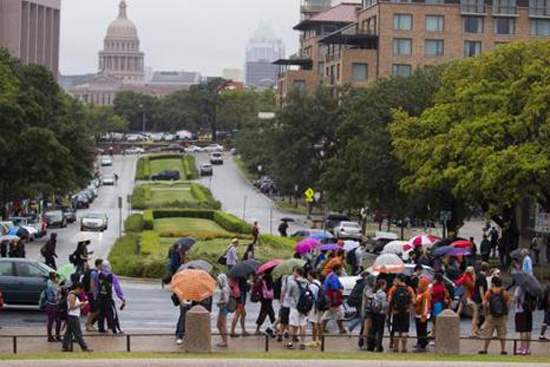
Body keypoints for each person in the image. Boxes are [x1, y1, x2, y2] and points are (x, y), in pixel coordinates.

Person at [478, 276, 510, 355]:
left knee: (488, 332)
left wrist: (485, 313)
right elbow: (508, 304)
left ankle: (485, 349)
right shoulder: (504, 292)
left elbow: (484, 303)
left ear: (493, 283)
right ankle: (503, 349)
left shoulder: (489, 292)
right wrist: (506, 314)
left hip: (491, 315)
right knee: (502, 333)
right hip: (501, 316)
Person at [388, 274, 415, 353]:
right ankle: (404, 348)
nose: (395, 281)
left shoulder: (393, 288)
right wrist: (409, 307)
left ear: (399, 279)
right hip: (406, 312)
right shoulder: (409, 289)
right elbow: (413, 301)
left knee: (396, 330)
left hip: (396, 312)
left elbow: (389, 300)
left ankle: (395, 347)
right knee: (404, 331)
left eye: (396, 279)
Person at [62, 283, 93, 352]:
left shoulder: (73, 295)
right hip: (73, 316)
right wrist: (81, 303)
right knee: (78, 333)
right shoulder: (72, 295)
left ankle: (65, 347)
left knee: (68, 332)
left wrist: (83, 304)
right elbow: (72, 306)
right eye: (81, 290)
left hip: (72, 315)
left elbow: (75, 307)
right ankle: (84, 347)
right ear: (78, 288)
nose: (81, 292)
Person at [97, 261, 126, 334]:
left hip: (100, 297)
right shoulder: (112, 276)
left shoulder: (99, 274)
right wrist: (122, 297)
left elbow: (97, 286)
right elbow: (117, 288)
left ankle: (101, 328)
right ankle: (115, 329)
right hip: (108, 298)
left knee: (101, 313)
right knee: (112, 313)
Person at [284, 267, 309, 350]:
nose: (293, 273)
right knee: (303, 324)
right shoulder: (306, 282)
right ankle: (302, 343)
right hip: (304, 307)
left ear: (297, 272)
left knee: (292, 325)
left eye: (294, 272)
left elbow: (288, 295)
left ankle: (290, 343)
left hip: (295, 306)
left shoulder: (292, 282)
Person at [322, 264, 346, 334]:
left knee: (329, 313)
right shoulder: (333, 277)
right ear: (337, 269)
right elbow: (335, 287)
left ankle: (322, 328)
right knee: (339, 313)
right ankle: (341, 329)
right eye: (340, 269)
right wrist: (340, 288)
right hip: (333, 299)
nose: (341, 271)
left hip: (329, 299)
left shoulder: (330, 275)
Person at [456, 266, 479, 337]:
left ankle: (454, 326)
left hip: (464, 296)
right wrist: (474, 279)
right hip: (468, 297)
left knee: (458, 312)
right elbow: (472, 286)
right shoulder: (469, 278)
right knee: (475, 313)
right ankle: (473, 331)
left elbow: (457, 282)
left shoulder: (464, 276)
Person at [366, 279, 388, 352]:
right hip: (381, 314)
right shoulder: (383, 294)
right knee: (380, 330)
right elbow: (384, 305)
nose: (386, 286)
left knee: (373, 329)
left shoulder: (373, 292)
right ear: (382, 285)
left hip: (373, 313)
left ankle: (370, 346)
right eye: (385, 284)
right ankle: (379, 346)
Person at [84, 259, 103, 332]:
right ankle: (88, 324)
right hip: (92, 294)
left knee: (94, 310)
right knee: (94, 310)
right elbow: (92, 284)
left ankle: (89, 324)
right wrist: (94, 294)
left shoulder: (96, 272)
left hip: (94, 293)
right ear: (99, 265)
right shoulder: (94, 273)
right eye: (102, 265)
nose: (103, 267)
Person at [515, 284, 534, 355]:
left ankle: (522, 348)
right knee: (528, 330)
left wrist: (513, 298)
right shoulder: (532, 288)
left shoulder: (519, 288)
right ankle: (527, 348)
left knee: (522, 330)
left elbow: (515, 300)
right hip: (529, 310)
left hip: (521, 310)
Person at [414, 277, 431, 353]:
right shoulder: (419, 293)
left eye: (420, 284)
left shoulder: (425, 294)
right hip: (418, 314)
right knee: (419, 330)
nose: (418, 285)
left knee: (422, 330)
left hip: (422, 315)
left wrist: (424, 316)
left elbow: (426, 306)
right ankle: (419, 343)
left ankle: (423, 345)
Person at [307, 271, 323, 347]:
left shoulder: (312, 285)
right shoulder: (319, 283)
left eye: (308, 276)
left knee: (314, 322)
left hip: (314, 306)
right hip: (320, 305)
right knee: (319, 322)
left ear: (311, 276)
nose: (307, 277)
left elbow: (311, 296)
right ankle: (320, 340)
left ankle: (314, 340)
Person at [45, 272, 61, 342]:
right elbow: (50, 297)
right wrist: (57, 298)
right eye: (56, 277)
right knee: (51, 321)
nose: (57, 279)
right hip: (51, 305)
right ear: (53, 278)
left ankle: (57, 335)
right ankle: (50, 336)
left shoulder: (55, 285)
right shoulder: (50, 286)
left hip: (56, 304)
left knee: (58, 321)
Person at [216, 274, 230, 348]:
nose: (218, 282)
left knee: (223, 325)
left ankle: (225, 341)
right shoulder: (225, 288)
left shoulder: (224, 289)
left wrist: (218, 302)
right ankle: (224, 340)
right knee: (218, 325)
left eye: (218, 280)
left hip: (223, 308)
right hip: (222, 308)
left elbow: (226, 300)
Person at [276, 275, 291, 342]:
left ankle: (281, 334)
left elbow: (282, 292)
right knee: (286, 320)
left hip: (286, 304)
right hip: (291, 304)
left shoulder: (286, 279)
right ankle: (284, 333)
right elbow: (282, 292)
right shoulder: (288, 279)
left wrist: (281, 302)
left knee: (283, 320)